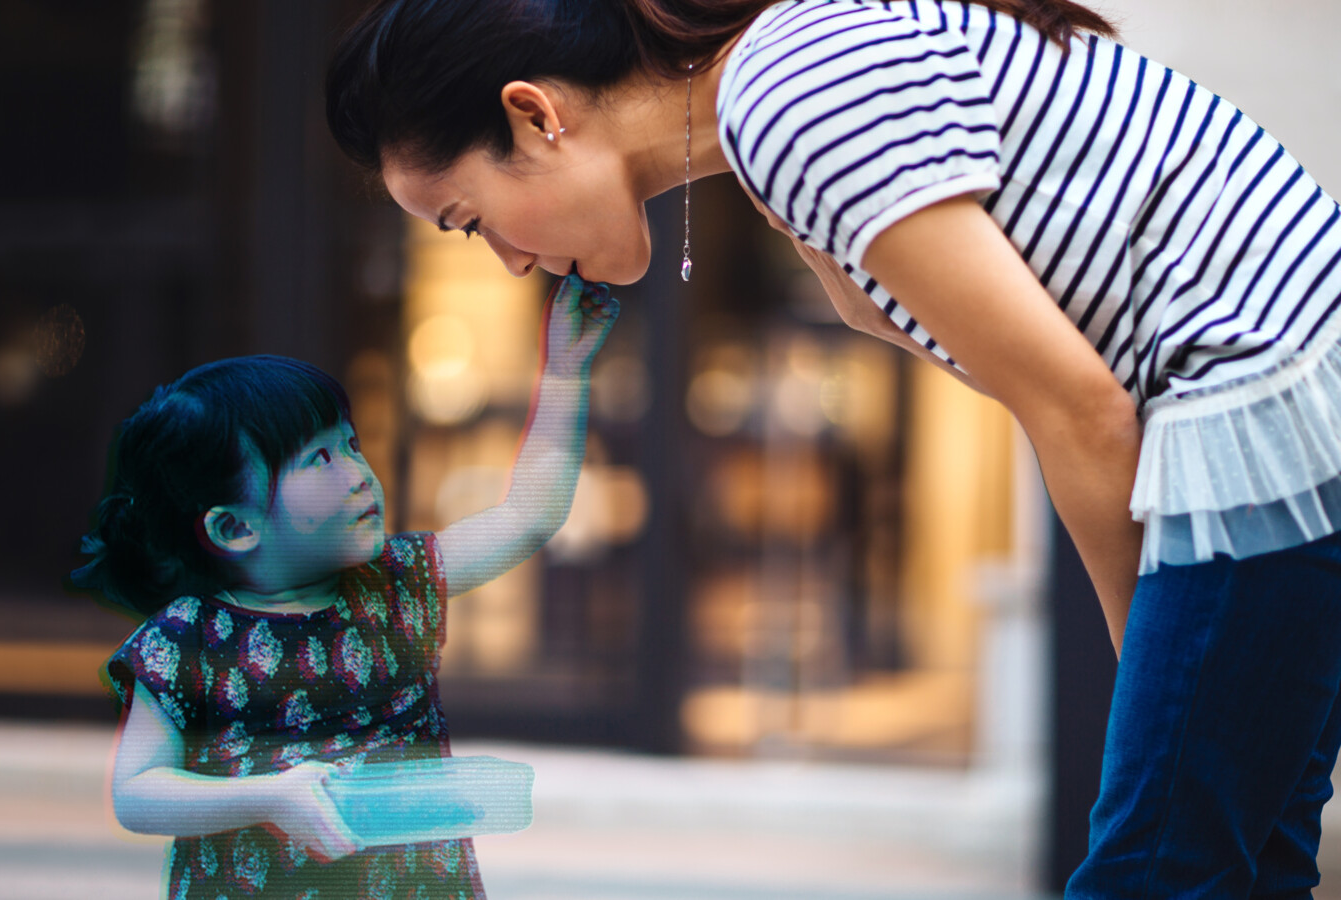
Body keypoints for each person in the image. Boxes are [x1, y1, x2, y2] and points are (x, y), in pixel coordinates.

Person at [325, 0, 1341, 896]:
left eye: (468, 222)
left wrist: (1143, 695)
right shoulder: (781, 109)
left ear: (533, 114)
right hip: (1286, 405)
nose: (507, 262)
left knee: (1158, 867)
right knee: (1247, 863)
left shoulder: (789, 92)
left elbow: (1080, 409)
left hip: (1264, 405)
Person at [72, 274, 617, 899]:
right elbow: (138, 792)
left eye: (350, 445)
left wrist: (566, 373)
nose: (359, 473)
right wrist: (271, 797)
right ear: (235, 527)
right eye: (320, 459)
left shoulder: (395, 583)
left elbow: (527, 517)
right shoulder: (188, 639)